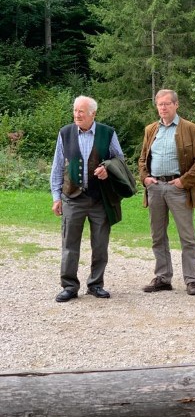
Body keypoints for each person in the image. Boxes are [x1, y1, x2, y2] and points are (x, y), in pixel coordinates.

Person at [50, 95, 124, 302]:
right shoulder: (65, 133)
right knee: (69, 245)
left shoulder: (107, 133)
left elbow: (119, 159)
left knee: (100, 245)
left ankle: (96, 284)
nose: (77, 115)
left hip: (99, 199)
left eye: (81, 111)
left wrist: (107, 168)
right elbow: (57, 166)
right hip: (72, 198)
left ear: (93, 114)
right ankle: (69, 286)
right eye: (75, 110)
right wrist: (56, 197)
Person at [138, 89, 195, 296]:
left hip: (178, 189)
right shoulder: (151, 130)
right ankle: (162, 277)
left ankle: (191, 280)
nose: (163, 107)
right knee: (157, 235)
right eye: (160, 104)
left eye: (167, 103)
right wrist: (145, 178)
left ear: (176, 105)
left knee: (187, 237)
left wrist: (183, 181)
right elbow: (142, 159)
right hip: (155, 188)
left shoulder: (191, 129)